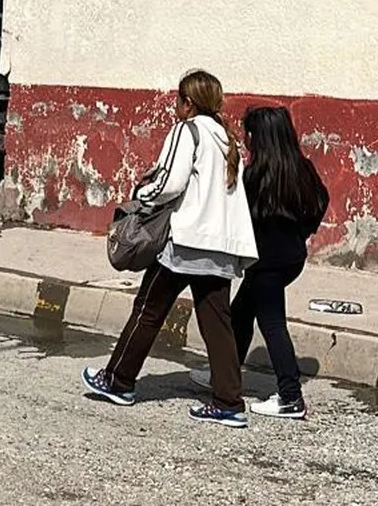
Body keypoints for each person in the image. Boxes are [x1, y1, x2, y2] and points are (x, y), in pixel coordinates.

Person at [82, 70, 258, 428]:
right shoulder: (226, 137)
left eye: (178, 100)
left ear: (188, 103)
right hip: (220, 245)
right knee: (216, 323)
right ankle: (228, 400)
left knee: (148, 309)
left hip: (186, 241)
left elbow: (170, 183)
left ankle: (118, 380)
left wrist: (140, 197)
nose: (175, 107)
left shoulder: (187, 130)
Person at [189, 106, 329, 420]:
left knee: (273, 325)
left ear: (258, 137)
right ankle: (224, 378)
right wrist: (300, 231)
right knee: (240, 314)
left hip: (268, 264)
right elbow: (321, 201)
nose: (245, 138)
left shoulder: (255, 175)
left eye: (248, 133)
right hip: (290, 259)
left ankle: (290, 396)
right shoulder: (300, 168)